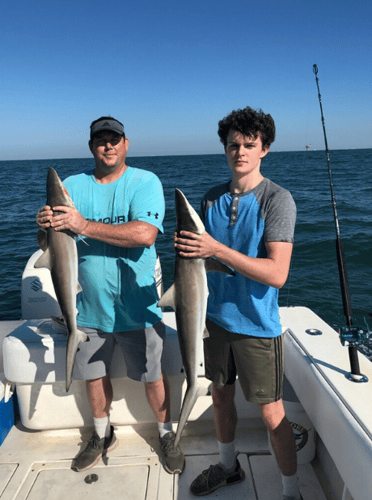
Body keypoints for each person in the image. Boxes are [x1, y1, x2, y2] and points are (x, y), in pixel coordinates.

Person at [36, 116, 185, 474]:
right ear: (91, 147)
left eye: (114, 139)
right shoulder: (72, 186)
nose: (108, 145)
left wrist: (82, 224)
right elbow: (54, 244)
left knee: (153, 377)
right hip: (87, 308)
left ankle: (166, 434)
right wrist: (43, 228)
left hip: (139, 307)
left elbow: (145, 234)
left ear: (126, 144)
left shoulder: (144, 182)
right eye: (100, 140)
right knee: (93, 376)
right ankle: (102, 434)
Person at [175, 107, 300, 499]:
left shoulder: (277, 200)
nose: (240, 151)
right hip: (213, 321)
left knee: (271, 414)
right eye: (233, 144)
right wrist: (194, 254)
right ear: (224, 148)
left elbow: (277, 273)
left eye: (250, 144)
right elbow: (210, 261)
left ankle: (289, 492)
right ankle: (228, 467)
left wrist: (217, 249)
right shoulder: (210, 198)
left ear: (265, 149)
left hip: (257, 326)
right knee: (221, 396)